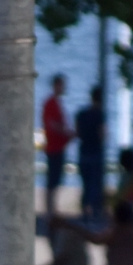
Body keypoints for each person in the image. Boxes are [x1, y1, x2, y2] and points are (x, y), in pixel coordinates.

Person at [74, 85, 109, 222]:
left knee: (86, 184)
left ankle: (85, 211)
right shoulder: (100, 114)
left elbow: (77, 132)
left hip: (83, 151)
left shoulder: (82, 114)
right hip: (95, 152)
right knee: (95, 184)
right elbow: (102, 134)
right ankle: (94, 211)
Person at [41, 74, 72, 227]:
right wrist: (67, 133)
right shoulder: (50, 103)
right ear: (55, 85)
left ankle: (52, 210)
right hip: (53, 148)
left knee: (55, 180)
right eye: (61, 85)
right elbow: (53, 125)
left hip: (58, 147)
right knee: (52, 181)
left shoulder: (55, 103)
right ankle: (49, 212)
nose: (63, 88)